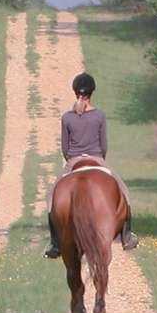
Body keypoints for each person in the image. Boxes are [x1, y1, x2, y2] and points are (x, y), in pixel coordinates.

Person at [44, 71, 139, 258]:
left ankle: (55, 243)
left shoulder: (67, 117)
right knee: (124, 191)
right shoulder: (99, 115)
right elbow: (103, 145)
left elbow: (65, 148)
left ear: (75, 92)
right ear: (92, 92)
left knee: (51, 196)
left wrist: (72, 160)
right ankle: (127, 236)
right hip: (97, 159)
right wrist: (100, 161)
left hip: (73, 161)